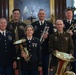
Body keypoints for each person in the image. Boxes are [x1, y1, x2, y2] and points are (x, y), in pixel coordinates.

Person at [32, 9, 54, 75]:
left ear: (45, 15)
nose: (41, 15)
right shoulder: (33, 24)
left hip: (45, 49)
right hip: (35, 50)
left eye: (43, 14)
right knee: (36, 68)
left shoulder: (49, 24)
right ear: (38, 15)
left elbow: (52, 36)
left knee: (45, 68)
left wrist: (48, 36)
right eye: (40, 13)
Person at [6, 9, 26, 75]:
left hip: (21, 48)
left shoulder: (24, 25)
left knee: (22, 67)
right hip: (11, 48)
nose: (16, 15)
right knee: (11, 67)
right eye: (15, 13)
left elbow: (26, 37)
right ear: (12, 14)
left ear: (19, 15)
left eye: (17, 13)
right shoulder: (8, 25)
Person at [63, 8, 76, 73]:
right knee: (66, 66)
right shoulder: (62, 23)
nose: (69, 14)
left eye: (70, 13)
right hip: (65, 47)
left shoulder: (75, 22)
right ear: (65, 14)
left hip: (75, 46)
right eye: (67, 13)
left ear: (72, 14)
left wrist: (73, 34)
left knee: (74, 64)